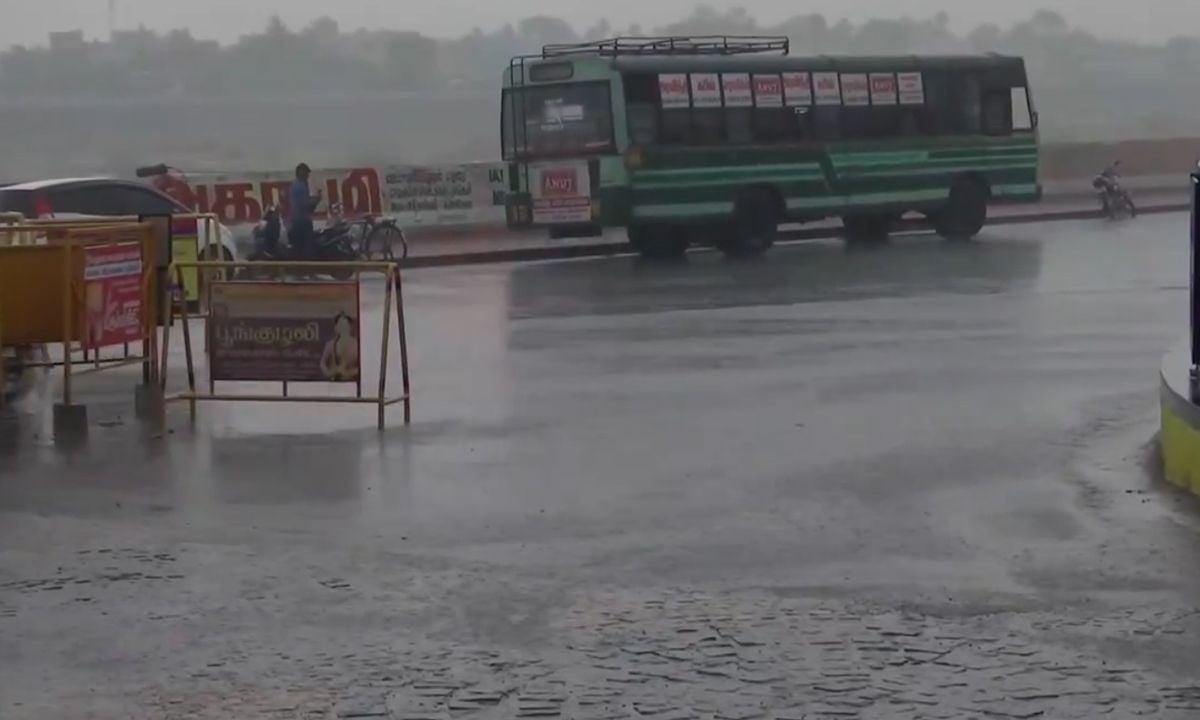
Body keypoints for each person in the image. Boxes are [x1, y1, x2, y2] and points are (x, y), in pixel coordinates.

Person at [288, 163, 323, 258]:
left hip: (300, 219)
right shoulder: (299, 187)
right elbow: (305, 205)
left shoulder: (299, 185)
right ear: (300, 173)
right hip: (301, 221)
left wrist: (315, 201)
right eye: (306, 173)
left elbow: (308, 207)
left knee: (302, 247)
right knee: (307, 247)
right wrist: (317, 199)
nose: (307, 175)